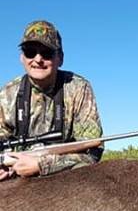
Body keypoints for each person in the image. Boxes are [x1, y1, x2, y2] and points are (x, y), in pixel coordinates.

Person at [0, 20, 102, 181]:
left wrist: (42, 164)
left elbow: (93, 152)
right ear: (21, 57)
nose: (38, 59)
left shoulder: (78, 88)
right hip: (17, 178)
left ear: (60, 58)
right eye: (30, 52)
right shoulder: (7, 94)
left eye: (47, 53)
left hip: (66, 179)